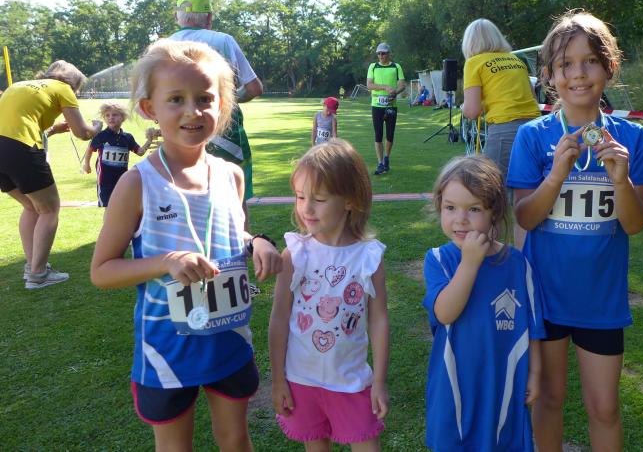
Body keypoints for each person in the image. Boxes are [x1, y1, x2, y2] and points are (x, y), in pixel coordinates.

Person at [90, 39, 282, 451]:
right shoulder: (137, 183)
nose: (192, 111)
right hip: (167, 347)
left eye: (204, 99)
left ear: (222, 105)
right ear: (150, 109)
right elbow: (102, 271)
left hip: (230, 338)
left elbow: (233, 235)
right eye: (176, 99)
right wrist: (167, 261)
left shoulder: (231, 175)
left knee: (236, 439)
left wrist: (257, 244)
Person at [507, 10, 643, 452]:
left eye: (590, 61)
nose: (578, 73)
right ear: (549, 75)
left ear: (609, 67)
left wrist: (621, 180)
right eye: (566, 64)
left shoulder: (632, 138)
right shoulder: (532, 136)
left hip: (601, 298)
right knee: (549, 399)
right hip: (546, 296)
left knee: (605, 408)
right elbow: (524, 218)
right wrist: (556, 175)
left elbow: (634, 224)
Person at [269, 139, 390, 451]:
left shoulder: (368, 257)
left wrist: (378, 381)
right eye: (300, 196)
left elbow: (378, 321)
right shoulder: (295, 254)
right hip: (301, 382)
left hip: (351, 382)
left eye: (319, 199)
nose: (306, 208)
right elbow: (279, 319)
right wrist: (278, 379)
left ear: (349, 200)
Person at [423, 155, 544, 451]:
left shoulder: (517, 264)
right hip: (455, 384)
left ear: (494, 212)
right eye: (450, 208)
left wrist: (535, 372)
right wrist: (469, 263)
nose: (460, 219)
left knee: (504, 440)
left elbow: (532, 327)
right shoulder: (439, 260)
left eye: (474, 209)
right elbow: (445, 313)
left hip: (504, 381)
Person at [0, 60, 102, 289]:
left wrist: (54, 129)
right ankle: (38, 274)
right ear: (74, 83)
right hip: (21, 148)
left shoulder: (20, 85)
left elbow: (15, 123)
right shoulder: (64, 89)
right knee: (50, 209)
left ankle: (34, 267)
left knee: (31, 206)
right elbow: (82, 132)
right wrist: (96, 127)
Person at [170, 0, 263, 228]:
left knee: (183, 196)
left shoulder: (164, 46)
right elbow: (254, 88)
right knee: (235, 195)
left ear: (178, 16)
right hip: (224, 128)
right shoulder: (223, 40)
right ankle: (240, 247)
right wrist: (228, 99)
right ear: (209, 17)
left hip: (178, 130)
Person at [460, 18, 542, 249]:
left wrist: (464, 107)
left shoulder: (474, 63)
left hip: (504, 131)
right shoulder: (516, 61)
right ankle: (524, 259)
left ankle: (488, 256)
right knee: (524, 199)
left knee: (490, 200)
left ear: (470, 42)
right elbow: (531, 98)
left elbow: (472, 111)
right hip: (535, 130)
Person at [82, 102, 156, 207]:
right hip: (105, 181)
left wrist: (150, 140)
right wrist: (87, 164)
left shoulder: (127, 138)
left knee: (122, 206)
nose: (111, 118)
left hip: (122, 180)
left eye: (115, 115)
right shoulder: (101, 136)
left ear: (123, 118)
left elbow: (140, 152)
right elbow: (90, 149)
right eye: (107, 115)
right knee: (108, 207)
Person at [366, 42, 406, 175]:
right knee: (378, 135)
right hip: (376, 105)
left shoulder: (396, 66)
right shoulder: (373, 66)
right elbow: (369, 85)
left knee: (390, 135)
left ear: (389, 54)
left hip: (391, 106)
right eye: (378, 53)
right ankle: (380, 163)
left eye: (383, 53)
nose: (380, 56)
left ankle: (386, 158)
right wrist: (385, 87)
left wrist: (395, 92)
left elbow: (402, 85)